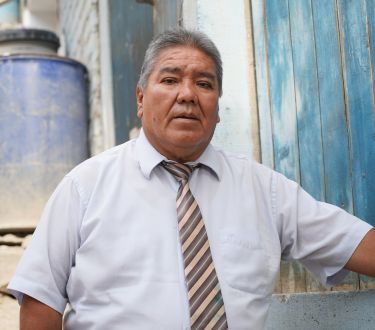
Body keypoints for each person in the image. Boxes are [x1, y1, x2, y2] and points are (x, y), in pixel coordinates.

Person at [8, 28, 375, 330]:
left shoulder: (265, 190)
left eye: (204, 83)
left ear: (217, 107)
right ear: (140, 98)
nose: (187, 95)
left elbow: (357, 245)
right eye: (170, 80)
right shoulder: (85, 186)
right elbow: (41, 299)